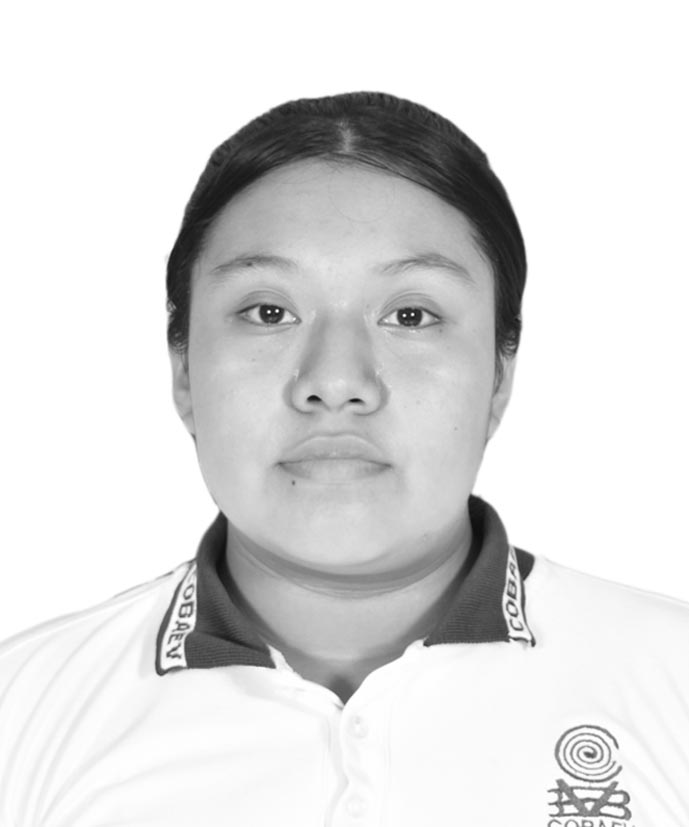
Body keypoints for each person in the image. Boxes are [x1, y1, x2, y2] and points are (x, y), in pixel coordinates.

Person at [0, 91, 687, 826]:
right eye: (268, 311)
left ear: (499, 374)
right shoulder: (25, 711)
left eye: (411, 315)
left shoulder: (670, 682)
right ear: (184, 370)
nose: (334, 381)